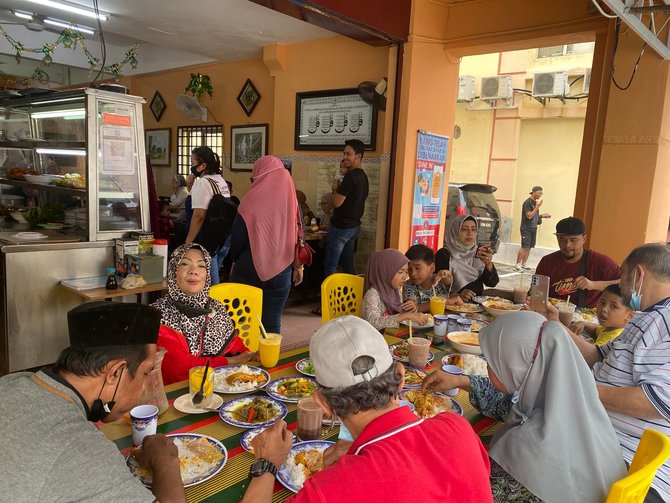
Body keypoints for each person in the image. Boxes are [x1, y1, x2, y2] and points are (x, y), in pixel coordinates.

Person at [241, 316, 494, 502]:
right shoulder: (458, 427)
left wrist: (267, 464)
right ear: (401, 375)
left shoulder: (330, 490)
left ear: (324, 404)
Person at [424, 311, 626, 503]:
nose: (487, 366)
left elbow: (473, 493)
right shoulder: (577, 407)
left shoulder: (526, 452)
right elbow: (509, 407)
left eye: (494, 360)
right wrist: (461, 382)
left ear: (517, 367)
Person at [0, 302, 186, 503]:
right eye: (146, 373)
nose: (144, 387)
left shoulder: (13, 382)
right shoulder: (82, 448)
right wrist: (166, 460)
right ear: (115, 373)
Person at [559, 243, 670, 502]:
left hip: (625, 458)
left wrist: (582, 390)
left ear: (639, 275)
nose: (622, 287)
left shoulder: (665, 323)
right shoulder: (645, 317)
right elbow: (598, 356)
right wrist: (555, 327)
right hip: (596, 438)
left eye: (623, 278)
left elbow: (656, 401)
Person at [151, 243, 253, 385]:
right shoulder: (159, 315)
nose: (194, 271)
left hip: (220, 386)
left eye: (201, 266)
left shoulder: (215, 307)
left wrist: (249, 355)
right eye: (185, 264)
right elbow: (179, 369)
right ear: (173, 270)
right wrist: (230, 362)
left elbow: (234, 344)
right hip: (179, 394)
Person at [230, 156, 304, 334]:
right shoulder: (291, 200)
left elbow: (237, 239)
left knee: (242, 321)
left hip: (248, 269)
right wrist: (298, 266)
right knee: (272, 322)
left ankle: (242, 359)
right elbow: (300, 232)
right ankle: (270, 359)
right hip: (282, 269)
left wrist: (234, 260)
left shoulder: (249, 201)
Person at [535, 216, 621, 308]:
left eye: (573, 240)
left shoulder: (600, 262)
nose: (567, 245)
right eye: (562, 239)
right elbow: (536, 294)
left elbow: (626, 286)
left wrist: (593, 285)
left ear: (584, 238)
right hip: (552, 314)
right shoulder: (547, 262)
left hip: (586, 318)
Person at [185, 146, 232, 285]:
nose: (192, 167)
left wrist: (188, 242)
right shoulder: (220, 180)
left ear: (203, 165)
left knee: (209, 284)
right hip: (224, 239)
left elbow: (199, 215)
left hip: (208, 241)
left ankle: (214, 306)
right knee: (212, 276)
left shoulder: (204, 183)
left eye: (193, 163)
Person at [324, 139, 369, 277]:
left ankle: (329, 298)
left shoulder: (350, 177)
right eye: (344, 153)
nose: (344, 157)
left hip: (341, 228)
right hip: (354, 227)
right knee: (348, 264)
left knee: (330, 265)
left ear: (358, 156)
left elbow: (337, 203)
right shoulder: (363, 176)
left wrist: (334, 189)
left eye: (348, 154)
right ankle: (352, 296)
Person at [435, 215, 499, 301]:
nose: (470, 233)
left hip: (477, 307)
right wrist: (458, 295)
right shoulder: (444, 254)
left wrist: (488, 264)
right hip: (452, 305)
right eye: (464, 229)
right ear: (455, 231)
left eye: (474, 229)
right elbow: (436, 287)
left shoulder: (479, 252)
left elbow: (492, 283)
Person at [361, 248, 429, 330]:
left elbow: (396, 316)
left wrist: (411, 309)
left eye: (406, 272)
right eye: (400, 272)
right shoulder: (372, 295)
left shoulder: (396, 291)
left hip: (391, 336)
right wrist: (405, 315)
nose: (405, 277)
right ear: (385, 272)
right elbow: (373, 323)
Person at [403, 244, 461, 313]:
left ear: (432, 268)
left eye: (417, 268)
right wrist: (446, 302)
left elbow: (448, 279)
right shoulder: (408, 285)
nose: (413, 273)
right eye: (409, 269)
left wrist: (444, 274)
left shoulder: (440, 281)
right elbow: (414, 308)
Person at [569, 284, 634, 346]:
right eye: (602, 303)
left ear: (629, 315)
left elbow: (594, 353)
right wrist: (583, 324)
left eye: (613, 306)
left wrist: (574, 336)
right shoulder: (611, 328)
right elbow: (597, 329)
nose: (604, 309)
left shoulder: (614, 338)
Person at [515, 185, 550, 272]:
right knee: (524, 246)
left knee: (529, 246)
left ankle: (524, 264)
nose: (540, 195)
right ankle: (518, 264)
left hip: (533, 228)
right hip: (526, 228)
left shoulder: (535, 203)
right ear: (533, 192)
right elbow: (529, 215)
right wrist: (537, 207)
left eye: (541, 193)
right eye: (539, 193)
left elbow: (535, 215)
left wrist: (542, 216)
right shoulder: (527, 202)